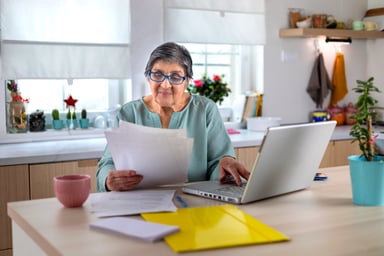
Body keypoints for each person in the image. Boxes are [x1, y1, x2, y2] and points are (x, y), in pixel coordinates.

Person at [96, 42, 250, 192]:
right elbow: (108, 163)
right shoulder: (129, 113)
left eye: (175, 77)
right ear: (148, 77)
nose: (165, 85)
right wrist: (109, 181)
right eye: (157, 75)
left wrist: (225, 163)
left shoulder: (205, 110)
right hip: (139, 203)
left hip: (194, 204)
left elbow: (219, 161)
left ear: (188, 81)